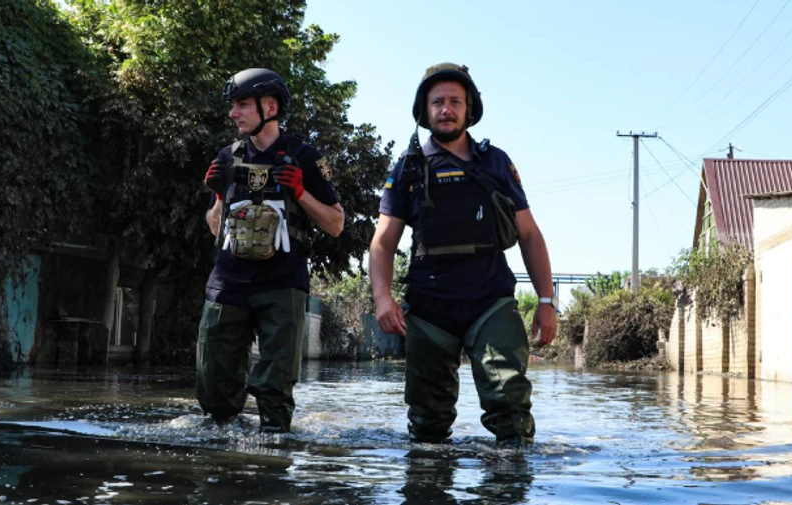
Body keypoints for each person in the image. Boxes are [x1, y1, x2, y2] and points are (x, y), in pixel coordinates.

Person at [369, 63, 557, 447]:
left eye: (455, 101)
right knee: (427, 423)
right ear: (425, 110)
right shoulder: (407, 167)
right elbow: (383, 242)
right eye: (437, 102)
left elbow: (529, 234)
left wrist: (546, 300)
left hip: (490, 299)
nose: (446, 109)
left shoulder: (496, 162)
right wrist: (382, 297)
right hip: (428, 306)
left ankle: (509, 488)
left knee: (510, 406)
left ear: (469, 109)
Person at [196, 68, 344, 433]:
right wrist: (218, 195)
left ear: (270, 106)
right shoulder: (226, 157)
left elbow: (336, 224)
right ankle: (221, 471)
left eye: (242, 104)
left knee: (274, 397)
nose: (233, 113)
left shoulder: (306, 157)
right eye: (233, 105)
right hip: (228, 284)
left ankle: (272, 469)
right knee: (214, 393)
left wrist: (300, 193)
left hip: (282, 284)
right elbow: (216, 227)